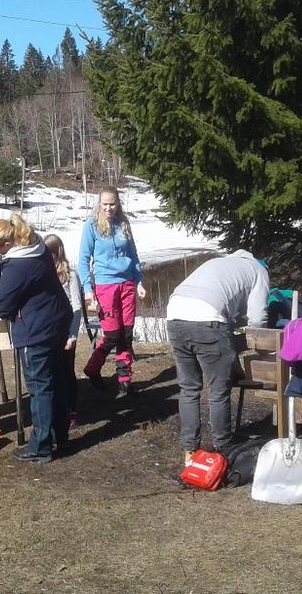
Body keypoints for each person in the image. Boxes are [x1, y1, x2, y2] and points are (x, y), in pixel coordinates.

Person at [0, 216, 70, 463]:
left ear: (5, 242)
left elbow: (4, 307)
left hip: (36, 329)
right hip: (56, 320)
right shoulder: (33, 245)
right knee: (55, 380)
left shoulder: (19, 266)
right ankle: (60, 435)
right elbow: (2, 266)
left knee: (40, 387)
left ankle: (41, 446)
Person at [165, 250, 269, 463]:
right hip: (208, 320)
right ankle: (223, 447)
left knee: (189, 388)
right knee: (218, 390)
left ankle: (190, 451)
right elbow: (258, 320)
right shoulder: (259, 270)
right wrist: (263, 347)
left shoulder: (219, 263)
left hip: (174, 315)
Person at [78, 186, 146, 398]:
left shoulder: (124, 224)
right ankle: (92, 368)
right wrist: (89, 291)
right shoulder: (90, 226)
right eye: (105, 204)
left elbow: (133, 256)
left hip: (126, 284)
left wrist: (139, 282)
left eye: (112, 204)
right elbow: (82, 262)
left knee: (126, 334)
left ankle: (124, 382)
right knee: (112, 335)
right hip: (105, 286)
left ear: (118, 203)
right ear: (99, 204)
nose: (108, 208)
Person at [44, 234, 83, 429]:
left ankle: (71, 411)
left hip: (66, 332)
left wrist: (73, 335)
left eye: (47, 254)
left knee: (67, 371)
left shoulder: (70, 275)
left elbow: (77, 308)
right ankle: (55, 411)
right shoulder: (42, 273)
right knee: (51, 371)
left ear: (57, 253)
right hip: (48, 332)